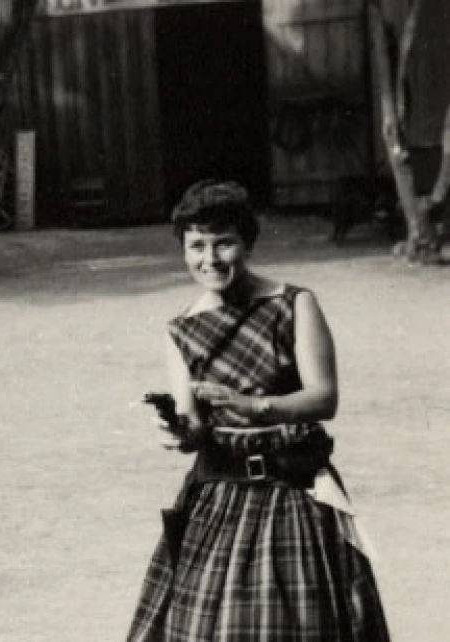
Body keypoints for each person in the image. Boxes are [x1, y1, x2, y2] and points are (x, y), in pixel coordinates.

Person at [126, 180, 390, 641]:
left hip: (292, 491)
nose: (210, 259)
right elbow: (194, 427)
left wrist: (254, 406)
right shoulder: (180, 329)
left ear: (247, 242)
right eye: (196, 246)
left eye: (224, 243)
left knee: (302, 626)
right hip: (218, 497)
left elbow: (324, 398)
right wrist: (177, 431)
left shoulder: (294, 304)